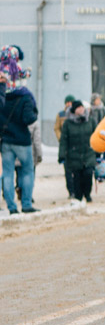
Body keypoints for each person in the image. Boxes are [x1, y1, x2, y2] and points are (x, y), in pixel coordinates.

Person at [1, 45, 39, 214]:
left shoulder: (2, 94)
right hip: (22, 140)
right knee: (27, 171)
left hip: (6, 140)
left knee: (7, 173)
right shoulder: (24, 95)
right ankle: (26, 204)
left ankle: (11, 207)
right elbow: (29, 119)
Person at [58, 101, 95, 202]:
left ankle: (87, 193)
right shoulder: (68, 123)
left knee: (88, 174)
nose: (81, 109)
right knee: (77, 177)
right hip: (74, 155)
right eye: (78, 107)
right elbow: (64, 140)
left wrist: (100, 150)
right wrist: (61, 154)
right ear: (74, 110)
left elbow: (96, 135)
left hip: (89, 153)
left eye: (82, 107)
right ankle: (78, 196)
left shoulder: (90, 121)